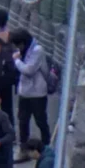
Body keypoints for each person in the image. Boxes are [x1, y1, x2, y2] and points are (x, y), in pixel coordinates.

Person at [8, 27, 52, 156]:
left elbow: (29, 70)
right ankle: (24, 150)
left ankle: (46, 147)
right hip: (24, 93)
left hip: (37, 93)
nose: (18, 48)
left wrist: (16, 60)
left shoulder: (37, 50)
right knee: (22, 121)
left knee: (40, 120)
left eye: (18, 45)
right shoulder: (23, 51)